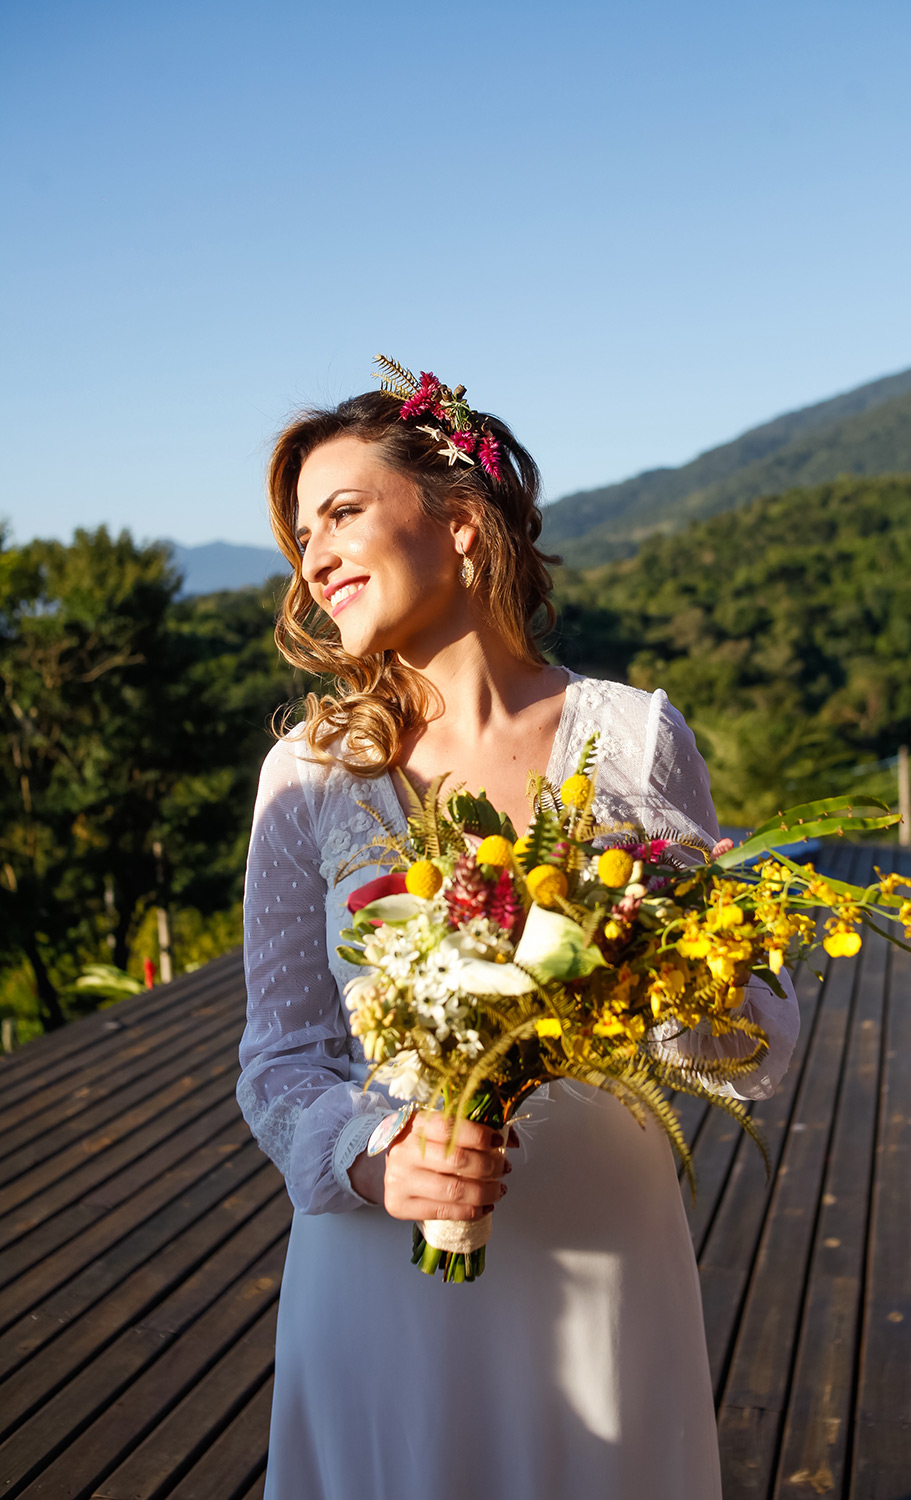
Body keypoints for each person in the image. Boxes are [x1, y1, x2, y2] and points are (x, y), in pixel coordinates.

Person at [237, 367, 800, 1500]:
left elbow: (752, 1048)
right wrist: (374, 1157)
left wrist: (676, 976)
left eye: (341, 511)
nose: (316, 556)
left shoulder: (634, 740)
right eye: (303, 534)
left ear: (456, 521)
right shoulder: (306, 776)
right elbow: (280, 1060)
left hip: (602, 1260)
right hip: (382, 1267)